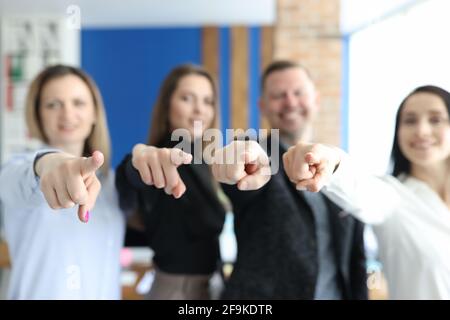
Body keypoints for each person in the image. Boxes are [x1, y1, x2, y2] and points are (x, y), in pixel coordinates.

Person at [212, 60, 368, 299]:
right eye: (278, 95)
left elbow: (355, 258)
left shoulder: (336, 166)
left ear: (316, 100)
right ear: (262, 106)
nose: (291, 102)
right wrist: (234, 158)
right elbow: (239, 178)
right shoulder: (256, 156)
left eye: (298, 92)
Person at [283, 85, 450, 299]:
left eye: (435, 119)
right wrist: (330, 160)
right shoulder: (393, 196)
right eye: (410, 120)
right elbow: (360, 189)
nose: (421, 131)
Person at [0, 65, 125, 299]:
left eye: (78, 103)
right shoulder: (18, 169)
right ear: (37, 115)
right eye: (53, 104)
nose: (67, 114)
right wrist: (48, 164)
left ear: (94, 115)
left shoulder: (110, 183)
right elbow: (22, 180)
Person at [115, 64, 228, 299]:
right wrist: (137, 162)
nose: (199, 110)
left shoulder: (203, 162)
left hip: (208, 288)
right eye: (187, 98)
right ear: (167, 105)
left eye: (208, 101)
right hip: (177, 291)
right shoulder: (161, 158)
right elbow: (129, 178)